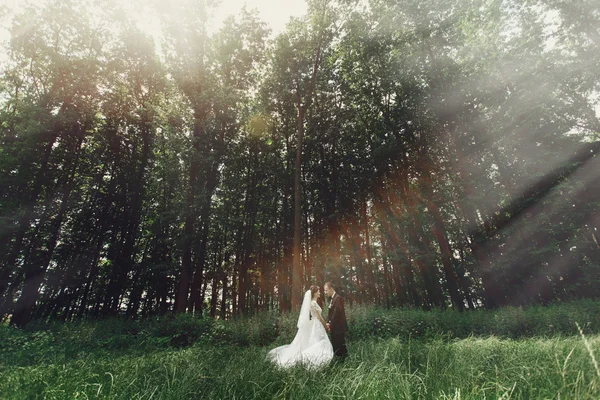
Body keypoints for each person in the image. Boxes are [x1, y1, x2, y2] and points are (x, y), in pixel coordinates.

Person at [267, 285, 334, 369]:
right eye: (318, 291)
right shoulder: (313, 303)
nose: (320, 293)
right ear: (315, 293)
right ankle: (316, 359)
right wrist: (325, 326)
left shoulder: (313, 303)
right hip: (316, 323)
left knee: (316, 341)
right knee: (319, 341)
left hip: (314, 323)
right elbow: (319, 317)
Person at [324, 281, 348, 359]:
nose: (325, 292)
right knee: (336, 345)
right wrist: (328, 322)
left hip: (339, 327)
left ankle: (343, 360)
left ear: (331, 289)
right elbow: (330, 313)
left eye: (326, 290)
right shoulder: (332, 299)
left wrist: (330, 323)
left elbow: (337, 312)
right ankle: (339, 360)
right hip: (334, 327)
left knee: (340, 344)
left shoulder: (338, 298)